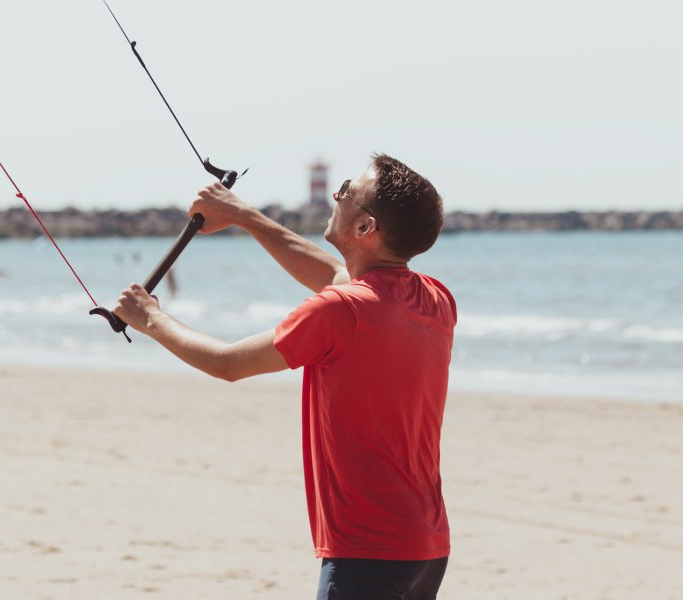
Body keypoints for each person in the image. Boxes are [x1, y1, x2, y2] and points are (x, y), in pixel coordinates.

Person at [114, 153, 456, 599]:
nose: (337, 194)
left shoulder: (340, 311)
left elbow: (227, 363)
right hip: (426, 546)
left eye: (348, 191)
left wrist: (149, 319)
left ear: (365, 228)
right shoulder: (435, 297)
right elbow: (335, 274)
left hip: (369, 550)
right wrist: (241, 214)